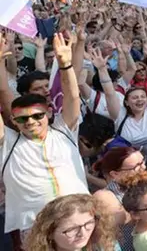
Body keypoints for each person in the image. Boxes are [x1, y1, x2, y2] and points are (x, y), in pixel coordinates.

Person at [0, 33, 88, 242]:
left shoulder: (64, 130)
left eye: (37, 115)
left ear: (49, 113)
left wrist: (65, 64)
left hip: (82, 220)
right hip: (36, 230)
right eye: (23, 119)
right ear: (13, 120)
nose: (30, 122)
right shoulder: (7, 143)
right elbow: (3, 90)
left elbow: (72, 96)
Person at [25, 194, 118, 251]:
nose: (83, 233)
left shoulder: (101, 246)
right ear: (50, 233)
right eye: (72, 229)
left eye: (88, 223)